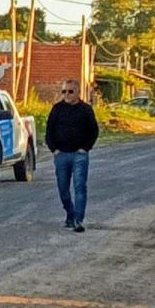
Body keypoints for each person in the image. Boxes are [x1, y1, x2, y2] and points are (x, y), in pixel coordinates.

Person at [46, 79, 98, 233]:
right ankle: (70, 213)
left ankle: (78, 220)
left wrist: (86, 148)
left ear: (78, 92)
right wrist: (53, 149)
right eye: (64, 91)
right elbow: (49, 130)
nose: (66, 95)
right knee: (63, 189)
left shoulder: (86, 110)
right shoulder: (57, 109)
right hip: (61, 154)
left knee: (80, 186)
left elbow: (94, 131)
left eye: (70, 91)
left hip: (79, 155)